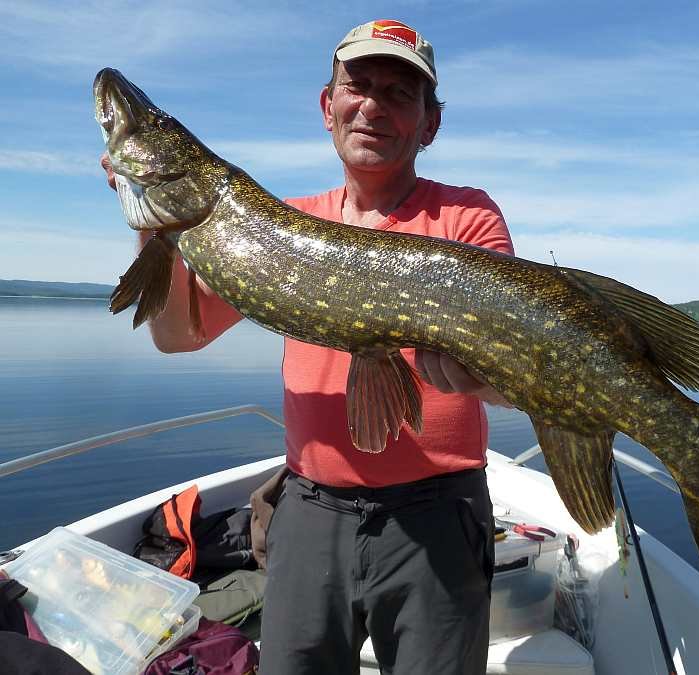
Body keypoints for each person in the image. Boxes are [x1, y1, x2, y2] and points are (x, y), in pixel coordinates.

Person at [103, 18, 514, 675]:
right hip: (310, 512)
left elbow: (511, 371)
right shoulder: (276, 228)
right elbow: (177, 335)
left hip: (439, 514)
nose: (373, 104)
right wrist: (152, 224)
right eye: (359, 85)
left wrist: (475, 375)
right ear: (329, 107)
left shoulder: (466, 218)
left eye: (400, 93)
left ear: (429, 124)